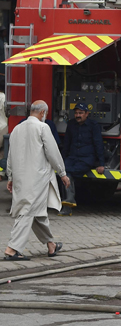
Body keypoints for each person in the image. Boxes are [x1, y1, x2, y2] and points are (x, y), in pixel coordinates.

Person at [4, 101, 69, 260]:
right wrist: (62, 173)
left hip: (20, 178)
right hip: (37, 178)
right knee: (28, 211)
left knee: (37, 212)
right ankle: (12, 249)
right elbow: (53, 152)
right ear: (42, 113)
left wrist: (10, 176)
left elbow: (10, 155)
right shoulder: (43, 127)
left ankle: (51, 245)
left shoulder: (17, 129)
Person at [59, 102, 105, 216]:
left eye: (80, 113)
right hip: (73, 157)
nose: (78, 115)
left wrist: (101, 163)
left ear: (87, 114)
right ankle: (68, 202)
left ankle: (68, 203)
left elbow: (98, 144)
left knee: (69, 172)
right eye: (76, 113)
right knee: (63, 172)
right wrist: (62, 161)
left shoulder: (93, 125)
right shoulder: (71, 124)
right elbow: (67, 144)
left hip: (86, 159)